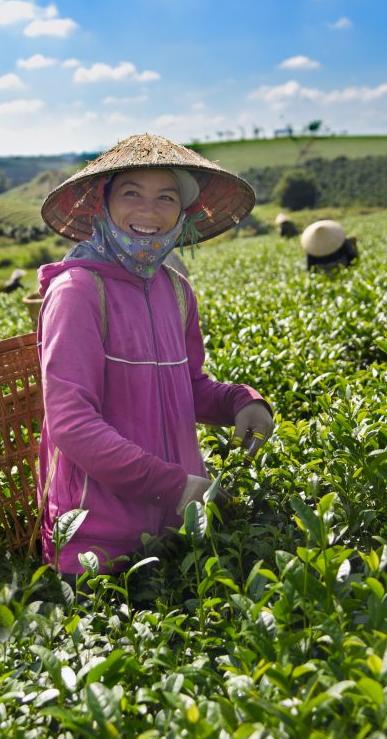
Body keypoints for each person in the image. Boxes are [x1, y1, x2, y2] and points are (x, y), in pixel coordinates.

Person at [35, 134, 274, 574]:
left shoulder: (176, 291)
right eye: (132, 194)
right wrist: (175, 486)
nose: (149, 210)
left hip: (178, 529)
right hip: (97, 546)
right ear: (102, 206)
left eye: (165, 197)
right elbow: (73, 425)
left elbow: (191, 388)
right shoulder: (78, 291)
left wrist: (244, 401)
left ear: (181, 215)